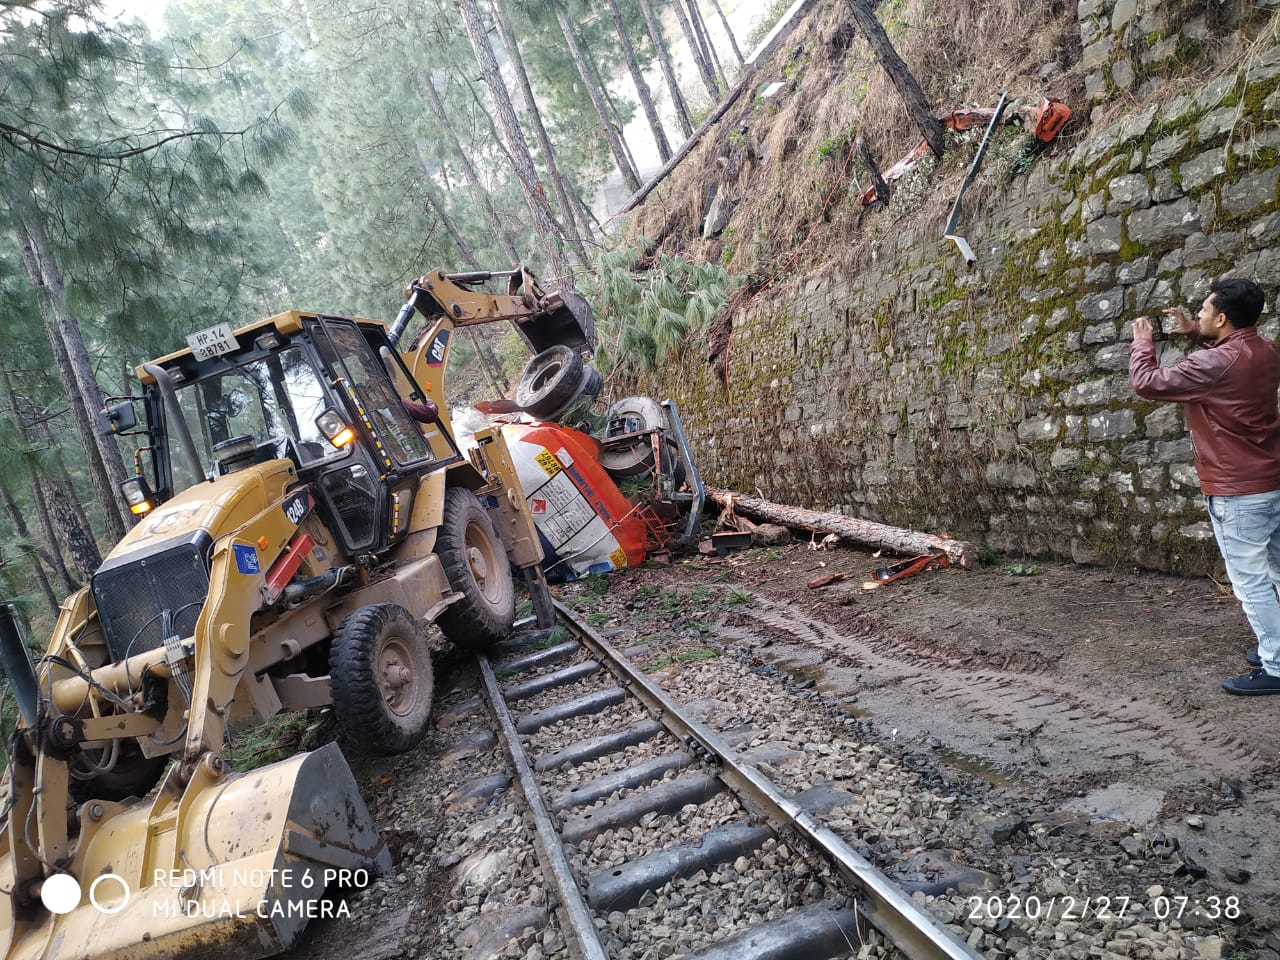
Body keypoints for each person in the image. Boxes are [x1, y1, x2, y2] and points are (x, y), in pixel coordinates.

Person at [1130, 277, 1280, 695]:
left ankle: (1278, 666)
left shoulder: (1215, 364)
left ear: (1223, 317)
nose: (1197, 314)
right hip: (1272, 479)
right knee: (1277, 571)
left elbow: (1148, 383)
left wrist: (1144, 342)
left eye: (1202, 311)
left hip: (1238, 490)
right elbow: (1228, 361)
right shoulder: (1267, 351)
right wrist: (1195, 333)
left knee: (1251, 583)